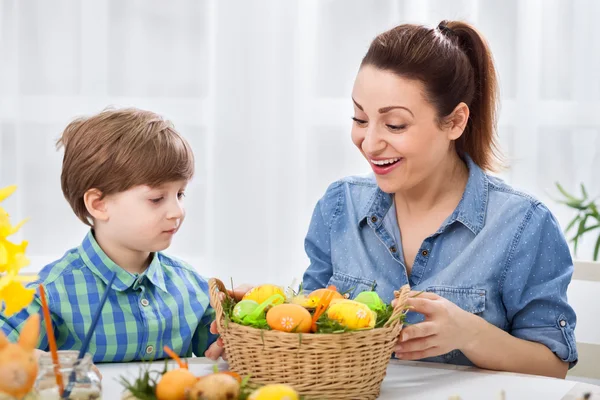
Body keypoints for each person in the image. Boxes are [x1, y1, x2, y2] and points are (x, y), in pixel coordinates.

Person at [301, 20, 577, 378]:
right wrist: (257, 317)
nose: (369, 143)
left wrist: (471, 334)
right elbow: (306, 327)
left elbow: (553, 366)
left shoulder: (522, 224)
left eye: (395, 124)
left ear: (455, 122)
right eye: (360, 118)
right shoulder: (339, 207)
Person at [0, 108, 220, 363]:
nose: (177, 211)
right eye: (157, 198)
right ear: (99, 204)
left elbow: (231, 353)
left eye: (180, 194)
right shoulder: (51, 292)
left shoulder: (194, 289)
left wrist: (253, 316)